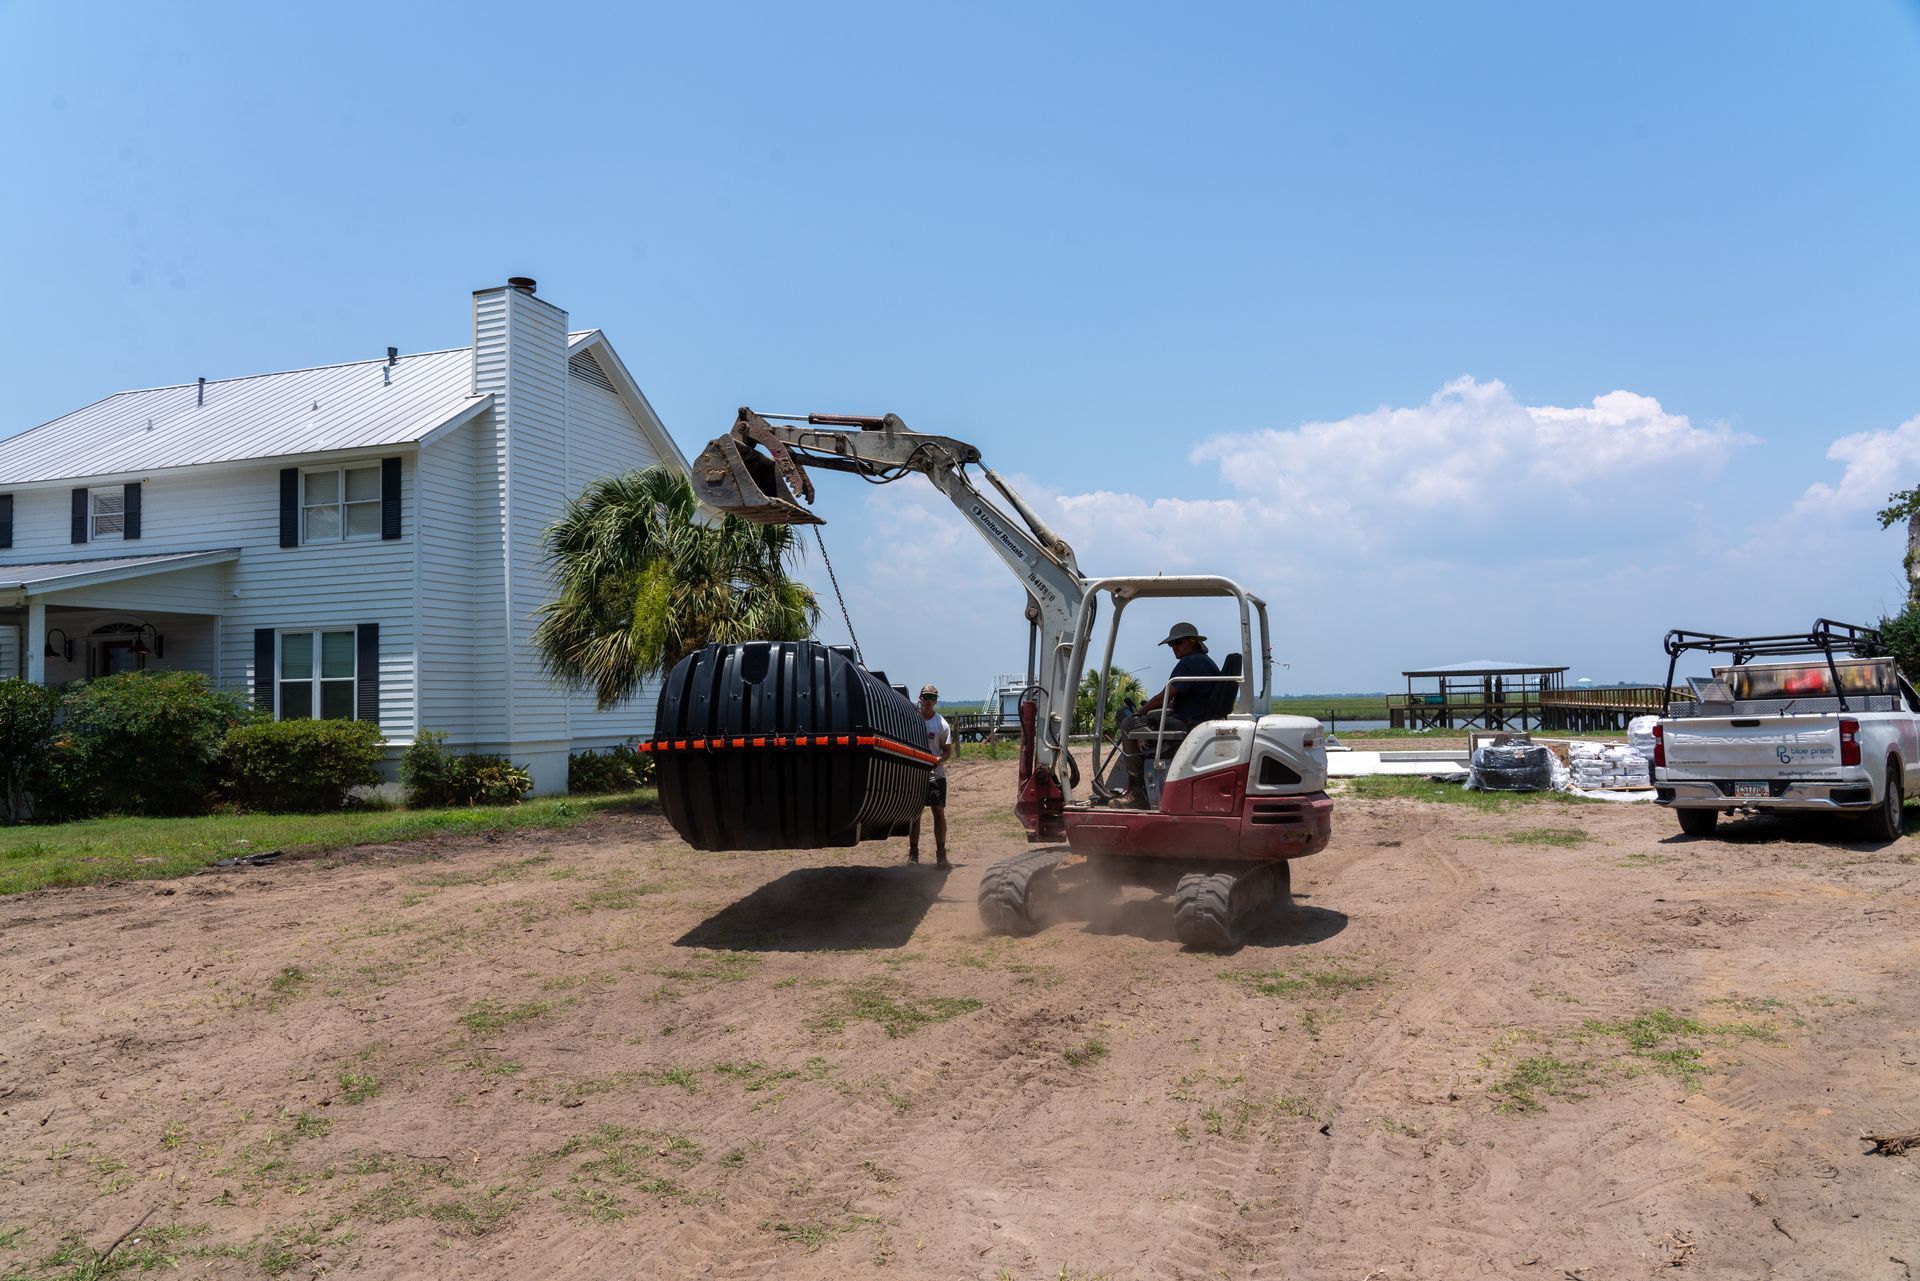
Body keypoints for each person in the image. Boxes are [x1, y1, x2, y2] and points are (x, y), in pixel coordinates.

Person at [1115, 622, 1219, 805]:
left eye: (1178, 642)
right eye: (1171, 644)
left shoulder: (1189, 663)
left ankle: (1137, 789)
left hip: (1188, 722)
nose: (1174, 648)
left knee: (1128, 724)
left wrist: (1138, 713)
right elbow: (1187, 697)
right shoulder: (1205, 662)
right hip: (1197, 718)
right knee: (1151, 716)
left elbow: (1162, 697)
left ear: (1192, 641)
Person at [909, 683, 954, 868]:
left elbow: (948, 751)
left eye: (932, 698)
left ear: (936, 701)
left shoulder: (941, 724)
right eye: (926, 697)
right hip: (915, 774)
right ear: (920, 698)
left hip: (935, 774)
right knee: (915, 815)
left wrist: (938, 759)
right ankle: (913, 854)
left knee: (938, 812)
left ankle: (941, 855)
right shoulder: (911, 720)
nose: (929, 701)